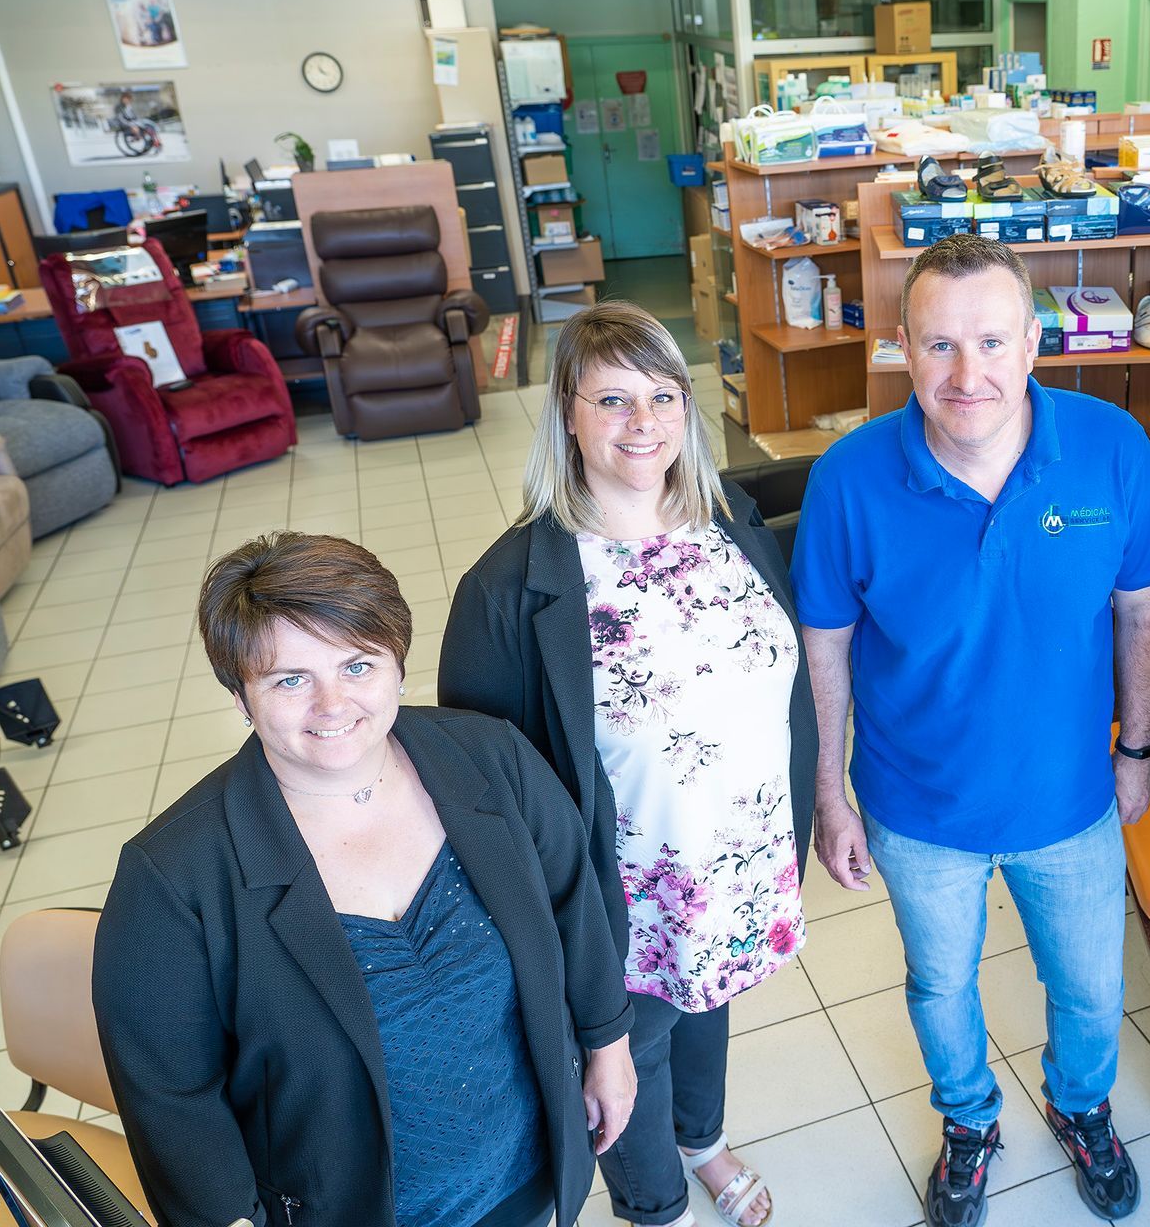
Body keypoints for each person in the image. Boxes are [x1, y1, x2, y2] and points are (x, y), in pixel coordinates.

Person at [791, 234, 1150, 1227]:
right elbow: (824, 646)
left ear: (1035, 343)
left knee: (1090, 987)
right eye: (940, 345)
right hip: (917, 807)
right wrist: (830, 794)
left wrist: (1138, 746)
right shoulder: (847, 478)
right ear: (903, 348)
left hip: (1070, 799)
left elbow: (1143, 611)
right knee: (939, 986)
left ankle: (1081, 1105)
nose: (968, 374)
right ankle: (969, 1120)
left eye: (993, 342)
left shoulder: (1110, 448)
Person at [94, 533, 638, 1227]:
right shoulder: (170, 878)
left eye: (357, 665)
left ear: (398, 666)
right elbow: (172, 1096)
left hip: (526, 1177)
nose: (332, 705)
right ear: (241, 697)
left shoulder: (492, 756)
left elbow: (576, 904)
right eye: (290, 680)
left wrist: (609, 1044)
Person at [441, 300, 814, 1227]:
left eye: (662, 396)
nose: (642, 422)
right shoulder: (508, 590)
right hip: (622, 895)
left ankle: (701, 1141)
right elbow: (485, 792)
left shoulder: (729, 523)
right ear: (566, 415)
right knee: (631, 1046)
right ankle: (656, 1207)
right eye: (611, 400)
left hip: (734, 861)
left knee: (710, 999)